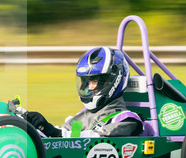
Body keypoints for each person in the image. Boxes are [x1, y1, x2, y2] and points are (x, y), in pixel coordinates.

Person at [12, 46, 144, 138]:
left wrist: (54, 132)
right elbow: (68, 136)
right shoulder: (85, 115)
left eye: (93, 81)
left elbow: (95, 140)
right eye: (85, 82)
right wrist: (39, 128)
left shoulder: (126, 120)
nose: (87, 87)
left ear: (111, 81)